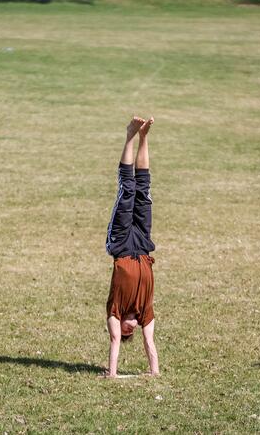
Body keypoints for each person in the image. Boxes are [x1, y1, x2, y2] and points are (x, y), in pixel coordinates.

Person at [102, 116, 159, 378]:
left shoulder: (115, 311)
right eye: (131, 331)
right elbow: (150, 342)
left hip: (122, 244)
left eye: (127, 330)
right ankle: (144, 136)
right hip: (144, 247)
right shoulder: (144, 314)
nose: (131, 328)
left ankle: (129, 136)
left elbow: (114, 341)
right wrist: (153, 371)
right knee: (143, 188)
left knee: (127, 189)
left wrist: (112, 373)